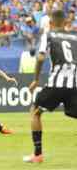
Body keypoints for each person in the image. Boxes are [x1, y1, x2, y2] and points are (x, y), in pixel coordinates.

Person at [23, 10, 77, 163]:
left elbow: (40, 57)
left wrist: (36, 80)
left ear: (51, 23)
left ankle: (38, 154)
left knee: (35, 111)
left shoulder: (49, 34)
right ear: (65, 22)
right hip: (74, 84)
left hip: (56, 83)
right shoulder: (75, 37)